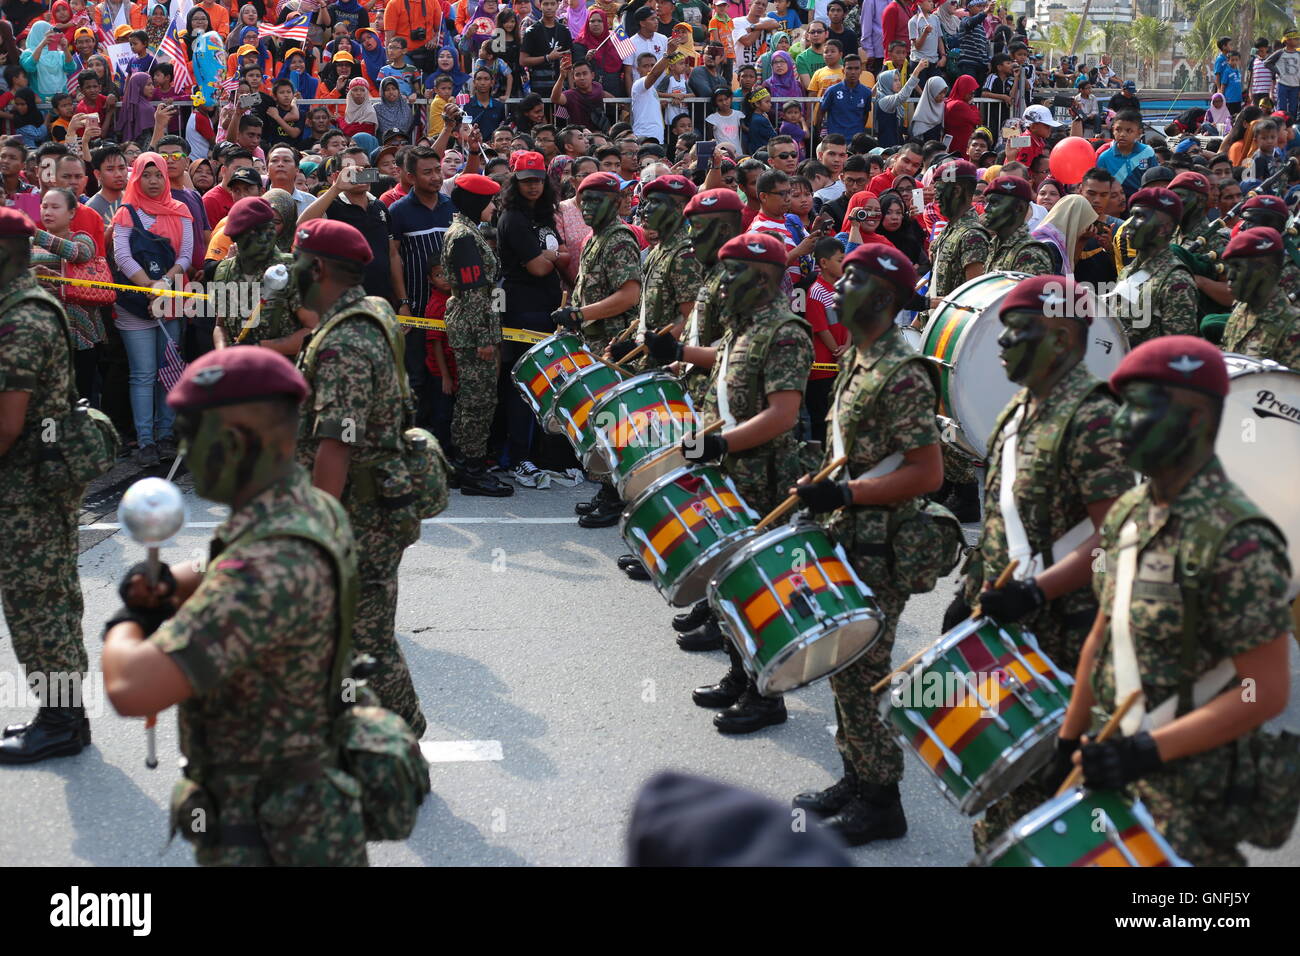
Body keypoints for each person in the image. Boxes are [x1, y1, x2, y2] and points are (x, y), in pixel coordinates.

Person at [101, 347, 369, 864]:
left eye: (191, 435)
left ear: (232, 442)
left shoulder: (270, 561)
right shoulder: (309, 505)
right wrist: (167, 580)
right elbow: (230, 565)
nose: (184, 449)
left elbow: (131, 687)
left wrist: (128, 620)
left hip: (269, 834)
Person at [1047, 337, 1294, 866]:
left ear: (1196, 420)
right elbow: (1104, 632)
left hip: (1192, 800)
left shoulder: (1237, 538)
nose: (1118, 426)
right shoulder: (1131, 511)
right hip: (1118, 774)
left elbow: (1263, 690)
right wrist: (1069, 736)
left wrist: (1145, 751)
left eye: (1139, 409)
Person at [947, 274, 1134, 852]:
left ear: (1058, 338)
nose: (1001, 345)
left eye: (1017, 331)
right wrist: (970, 591)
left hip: (1063, 633)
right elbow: (1005, 524)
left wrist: (1037, 592)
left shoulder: (1093, 418)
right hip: (1014, 629)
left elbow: (1113, 539)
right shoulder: (1021, 410)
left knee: (1046, 801)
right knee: (1005, 787)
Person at [786, 243, 945, 843]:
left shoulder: (900, 372)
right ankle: (856, 776)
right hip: (848, 538)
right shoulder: (861, 355)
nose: (838, 284)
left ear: (882, 296)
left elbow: (928, 473)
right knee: (842, 666)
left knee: (864, 672)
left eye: (851, 277)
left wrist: (845, 497)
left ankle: (882, 800)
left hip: (880, 546)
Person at [643, 232, 812, 734]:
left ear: (762, 278)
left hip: (761, 481)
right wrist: (676, 350)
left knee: (759, 591)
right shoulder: (746, 327)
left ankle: (767, 696)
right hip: (731, 475)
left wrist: (720, 446)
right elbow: (723, 366)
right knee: (729, 583)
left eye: (730, 273)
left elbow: (783, 415)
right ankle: (741, 675)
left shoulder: (783, 331)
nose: (719, 285)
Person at [291, 218, 430, 737]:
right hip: (373, 502)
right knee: (355, 630)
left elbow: (338, 440)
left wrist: (316, 529)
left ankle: (404, 742)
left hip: (357, 512)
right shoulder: (373, 311)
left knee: (366, 636)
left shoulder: (344, 342)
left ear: (319, 268)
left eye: (299, 261)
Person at [0, 207, 97, 764]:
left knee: (37, 603)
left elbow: (7, 423)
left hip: (28, 484)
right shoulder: (21, 307)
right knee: (52, 598)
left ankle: (60, 723)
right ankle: (64, 716)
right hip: (35, 476)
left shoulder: (21, 320)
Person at [550, 171, 642, 526]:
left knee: (617, 425)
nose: (587, 206)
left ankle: (619, 497)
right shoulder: (594, 237)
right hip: (595, 340)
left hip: (615, 344)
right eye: (583, 199)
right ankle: (608, 490)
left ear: (616, 202)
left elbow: (628, 294)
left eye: (596, 199)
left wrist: (579, 314)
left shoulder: (618, 238)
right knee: (602, 423)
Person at [111, 152, 193, 466]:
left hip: (171, 298)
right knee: (143, 374)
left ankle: (166, 435)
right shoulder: (126, 212)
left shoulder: (181, 209)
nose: (154, 181)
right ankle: (145, 441)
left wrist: (164, 284)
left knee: (169, 371)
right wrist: (148, 286)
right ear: (136, 178)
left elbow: (185, 256)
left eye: (158, 174)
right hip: (135, 302)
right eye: (146, 175)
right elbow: (122, 256)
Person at [496, 149, 568, 486]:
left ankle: (541, 455)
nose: (533, 186)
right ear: (516, 183)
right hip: (521, 309)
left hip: (546, 308)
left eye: (538, 180)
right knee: (521, 387)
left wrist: (552, 256)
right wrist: (555, 255)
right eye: (526, 181)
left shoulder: (543, 215)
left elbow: (557, 257)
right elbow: (541, 265)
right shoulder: (513, 218)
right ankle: (518, 458)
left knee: (546, 386)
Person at [439, 172, 513, 498]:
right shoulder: (464, 238)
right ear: (475, 202)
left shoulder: (467, 232)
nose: (494, 206)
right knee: (478, 400)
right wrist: (485, 338)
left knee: (472, 398)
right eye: (490, 201)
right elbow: (472, 292)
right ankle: (472, 470)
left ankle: (462, 465)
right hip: (473, 329)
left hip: (472, 325)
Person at [1107, 187, 1197, 346]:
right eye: (1132, 215)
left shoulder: (1175, 280)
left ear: (1164, 229)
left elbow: (1177, 350)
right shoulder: (1128, 271)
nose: (1130, 225)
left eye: (1140, 216)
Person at [210, 197, 301, 352]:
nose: (264, 238)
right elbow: (220, 326)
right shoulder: (224, 271)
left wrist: (259, 347)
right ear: (236, 237)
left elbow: (310, 331)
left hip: (281, 370)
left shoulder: (292, 269)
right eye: (254, 234)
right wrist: (223, 353)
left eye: (269, 230)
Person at [1218, 226, 1300, 367]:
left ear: (1268, 271)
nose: (1230, 276)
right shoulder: (1240, 310)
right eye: (1229, 267)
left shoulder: (1293, 328)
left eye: (1238, 268)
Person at [981, 174, 1055, 275]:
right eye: (986, 202)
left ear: (1019, 208)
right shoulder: (996, 245)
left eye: (994, 203)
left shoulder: (1030, 255)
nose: (986, 208)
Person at [1030, 193, 1098, 277]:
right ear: (1075, 221)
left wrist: (1082, 241)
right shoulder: (1050, 246)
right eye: (1084, 222)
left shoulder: (1056, 241)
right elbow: (1056, 285)